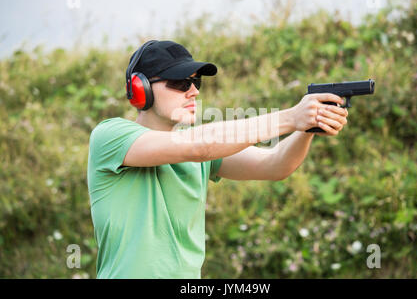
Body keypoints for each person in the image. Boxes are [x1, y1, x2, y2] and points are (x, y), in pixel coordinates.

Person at [87, 40, 348, 279]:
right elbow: (202, 145)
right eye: (180, 83)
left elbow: (276, 164)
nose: (193, 92)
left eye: (196, 82)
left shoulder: (198, 150)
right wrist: (291, 117)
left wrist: (309, 126)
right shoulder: (110, 137)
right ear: (139, 87)